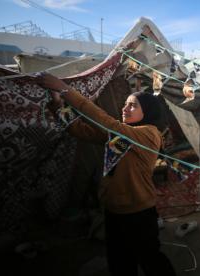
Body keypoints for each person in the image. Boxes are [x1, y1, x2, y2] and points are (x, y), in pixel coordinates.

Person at [36, 73, 176, 276]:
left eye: (133, 105)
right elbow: (80, 131)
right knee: (120, 260)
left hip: (138, 212)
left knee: (150, 259)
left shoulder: (148, 134)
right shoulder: (122, 135)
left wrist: (64, 88)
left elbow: (106, 122)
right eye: (126, 104)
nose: (125, 108)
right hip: (113, 210)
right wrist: (58, 104)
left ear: (148, 111)